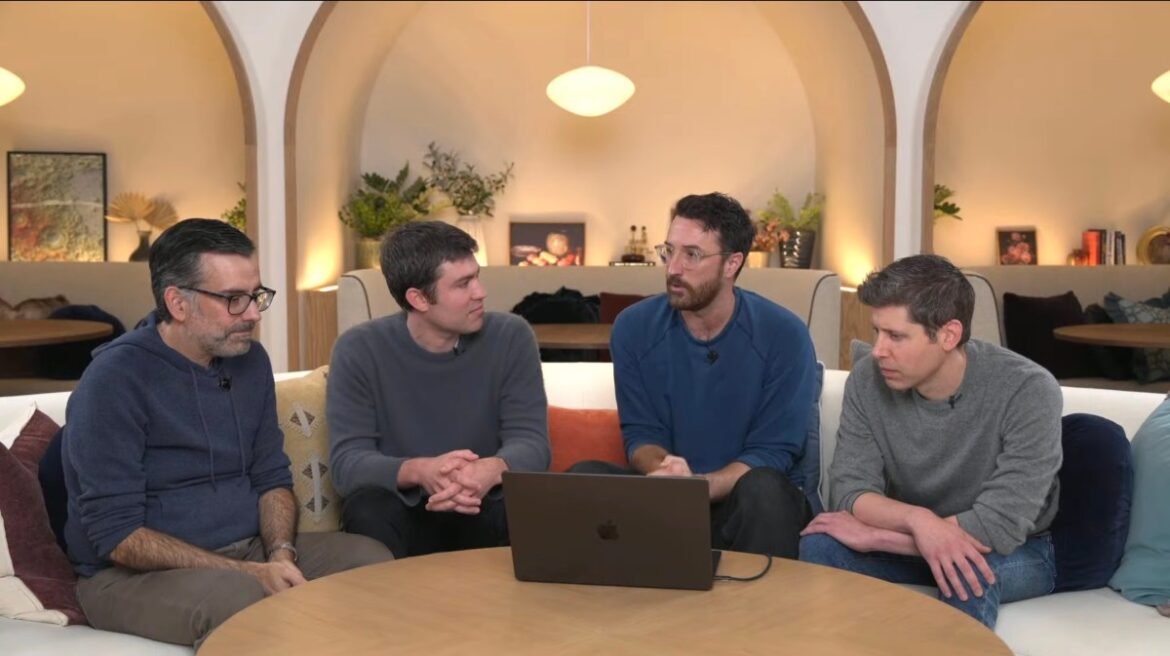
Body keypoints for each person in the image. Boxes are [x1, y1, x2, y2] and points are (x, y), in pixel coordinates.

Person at [61, 218, 392, 649]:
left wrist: (280, 555)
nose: (253, 314)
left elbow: (271, 479)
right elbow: (117, 537)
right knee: (244, 599)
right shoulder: (114, 379)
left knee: (373, 561)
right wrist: (249, 574)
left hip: (248, 550)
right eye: (234, 300)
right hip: (130, 576)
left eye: (255, 296)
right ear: (178, 303)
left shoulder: (249, 362)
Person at [800, 254, 1061, 628]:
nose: (878, 350)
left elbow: (997, 526)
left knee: (963, 570)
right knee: (819, 546)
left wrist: (879, 538)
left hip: (1017, 549)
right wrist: (919, 521)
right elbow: (851, 491)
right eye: (877, 332)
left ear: (948, 335)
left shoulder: (1028, 389)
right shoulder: (867, 379)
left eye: (896, 336)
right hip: (918, 534)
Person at [569, 192, 819, 559]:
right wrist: (664, 473)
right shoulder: (633, 328)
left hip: (748, 507)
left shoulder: (784, 334)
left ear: (732, 263)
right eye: (668, 251)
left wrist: (699, 487)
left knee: (765, 490)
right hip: (668, 502)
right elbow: (641, 436)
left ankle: (761, 616)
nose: (673, 269)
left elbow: (773, 454)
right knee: (582, 477)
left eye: (693, 255)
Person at [328, 220, 550, 559]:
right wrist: (422, 471)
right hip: (404, 513)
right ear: (418, 298)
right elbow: (347, 465)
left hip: (485, 503)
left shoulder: (512, 336)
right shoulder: (358, 349)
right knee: (368, 507)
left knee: (523, 500)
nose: (480, 292)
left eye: (477, 276)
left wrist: (488, 471)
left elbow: (533, 444)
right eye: (463, 284)